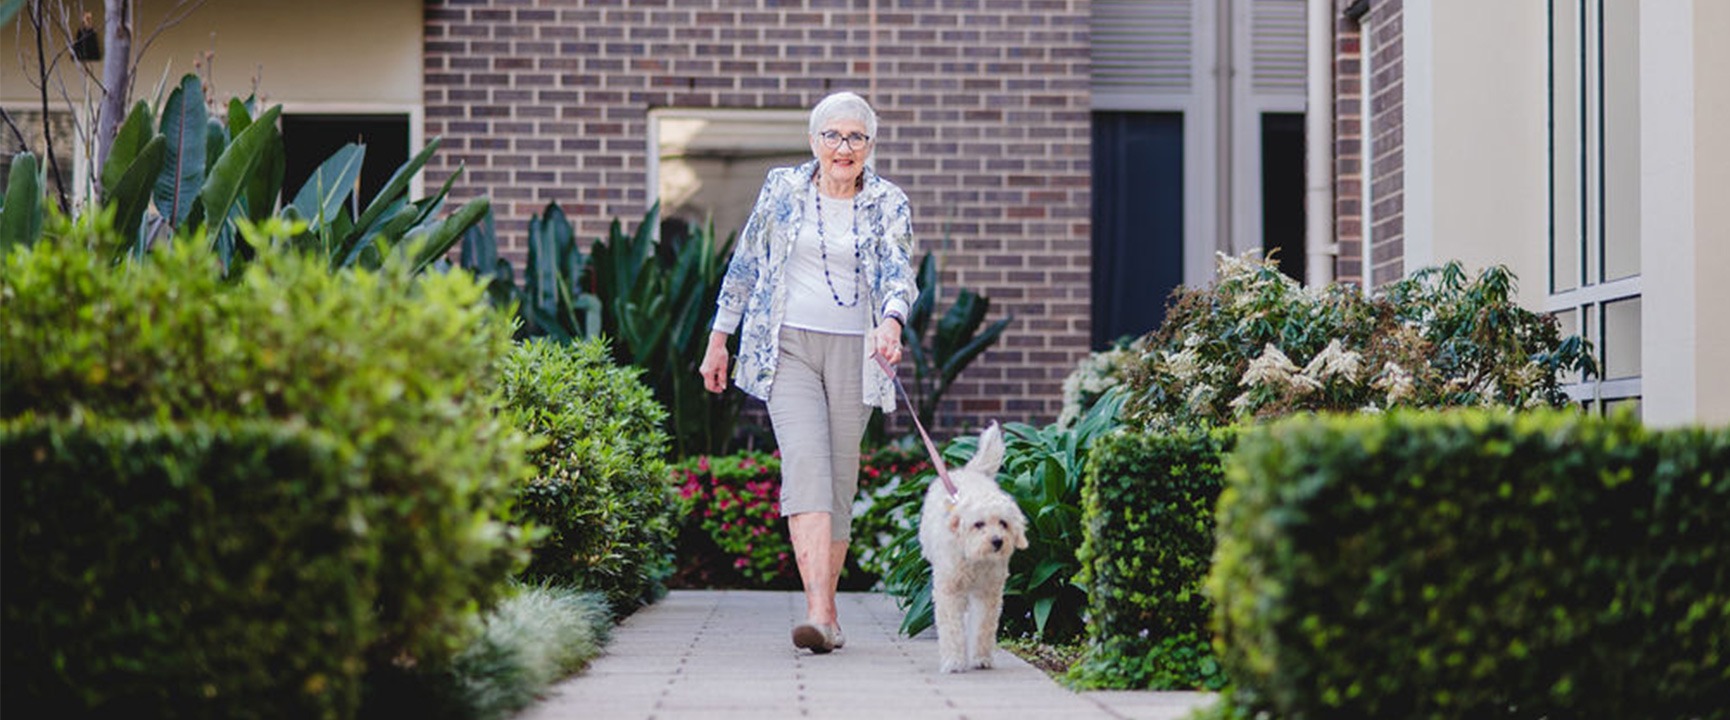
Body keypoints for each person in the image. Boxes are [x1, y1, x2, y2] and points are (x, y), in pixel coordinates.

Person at [698, 91, 917, 654]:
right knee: (805, 464)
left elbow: (898, 272)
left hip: (857, 350)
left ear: (871, 145)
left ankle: (830, 611)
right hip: (786, 344)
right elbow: (745, 263)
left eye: (856, 137)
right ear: (813, 140)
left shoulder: (889, 202)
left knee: (840, 481)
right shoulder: (782, 188)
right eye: (833, 136)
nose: (843, 148)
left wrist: (891, 322)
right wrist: (719, 339)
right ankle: (820, 613)